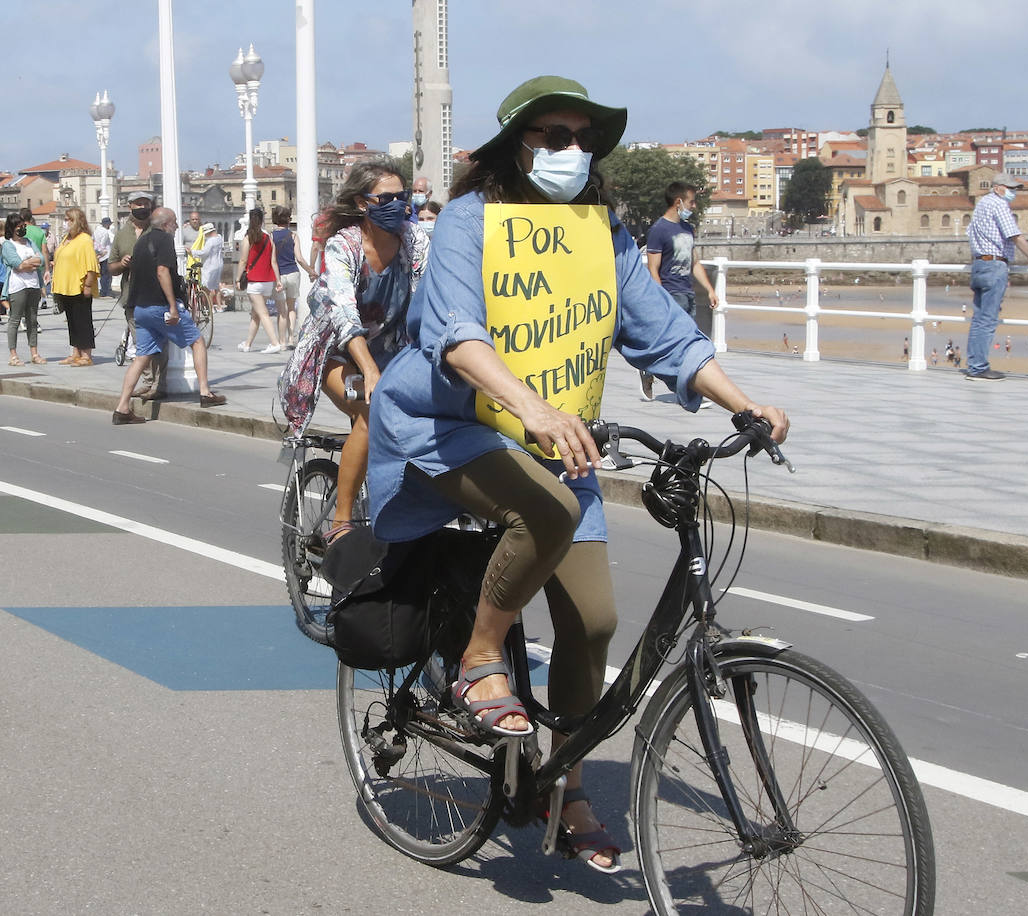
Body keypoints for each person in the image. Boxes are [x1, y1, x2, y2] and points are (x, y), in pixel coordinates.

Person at [368, 75, 789, 874]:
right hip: (453, 422)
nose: (570, 151)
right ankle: (479, 660)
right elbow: (456, 334)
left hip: (555, 439)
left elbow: (665, 333)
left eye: (583, 139)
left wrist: (746, 406)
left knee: (593, 622)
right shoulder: (470, 221)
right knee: (550, 511)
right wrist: (530, 407)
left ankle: (558, 791)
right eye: (552, 136)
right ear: (513, 147)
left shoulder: (604, 238)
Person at [279, 157, 428, 540]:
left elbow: (434, 288)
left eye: (403, 196)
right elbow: (344, 312)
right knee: (369, 410)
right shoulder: (343, 246)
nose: (399, 205)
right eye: (386, 198)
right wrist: (370, 371)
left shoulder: (413, 238)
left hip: (392, 352)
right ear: (363, 203)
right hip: (335, 354)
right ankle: (341, 521)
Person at [111, 208, 226, 424]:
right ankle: (205, 392)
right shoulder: (164, 240)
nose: (176, 227)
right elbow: (162, 271)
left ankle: (122, 408)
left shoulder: (141, 242)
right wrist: (173, 306)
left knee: (141, 357)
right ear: (166, 224)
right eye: (174, 223)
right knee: (197, 341)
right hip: (160, 306)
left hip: (141, 309)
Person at [638, 181, 719, 400]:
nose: (694, 206)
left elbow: (694, 263)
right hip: (671, 294)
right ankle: (690, 391)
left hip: (688, 293)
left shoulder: (687, 229)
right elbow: (653, 269)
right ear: (678, 202)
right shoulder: (659, 230)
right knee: (681, 344)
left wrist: (710, 290)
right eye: (691, 202)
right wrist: (662, 299)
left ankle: (665, 377)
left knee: (687, 342)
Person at [964, 172, 1028, 380]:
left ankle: (974, 365)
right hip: (994, 264)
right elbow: (1014, 234)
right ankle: (978, 367)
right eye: (1010, 188)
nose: (1013, 192)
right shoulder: (998, 204)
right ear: (998, 188)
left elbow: (969, 234)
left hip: (979, 263)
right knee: (987, 319)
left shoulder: (980, 205)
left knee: (979, 318)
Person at [109, 191, 168, 399]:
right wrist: (122, 263)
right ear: (130, 207)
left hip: (155, 295)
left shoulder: (157, 230)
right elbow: (111, 267)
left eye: (146, 204)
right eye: (138, 204)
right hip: (131, 295)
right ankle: (148, 381)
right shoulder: (122, 234)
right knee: (141, 342)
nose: (142, 207)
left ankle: (160, 384)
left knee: (159, 342)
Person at [51, 207, 99, 366]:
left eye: (70, 220)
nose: (66, 223)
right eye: (66, 219)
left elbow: (91, 266)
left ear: (78, 221)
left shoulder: (85, 239)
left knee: (82, 321)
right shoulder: (66, 239)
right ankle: (75, 352)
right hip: (65, 287)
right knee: (71, 321)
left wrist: (88, 285)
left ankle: (86, 355)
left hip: (79, 287)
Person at [236, 208, 284, 353]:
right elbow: (273, 261)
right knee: (255, 314)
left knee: (262, 314)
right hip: (268, 282)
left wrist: (238, 279)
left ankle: (275, 343)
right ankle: (247, 344)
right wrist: (278, 280)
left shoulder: (248, 238)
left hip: (254, 282)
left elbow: (243, 260)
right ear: (262, 220)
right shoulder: (269, 237)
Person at [3, 214, 46, 365]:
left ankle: (34, 353)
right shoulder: (8, 245)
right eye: (19, 226)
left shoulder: (29, 242)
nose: (22, 229)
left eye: (23, 226)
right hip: (18, 286)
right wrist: (29, 263)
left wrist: (27, 263)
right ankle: (13, 355)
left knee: (32, 320)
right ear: (12, 228)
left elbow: (40, 259)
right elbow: (17, 264)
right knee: (15, 319)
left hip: (33, 285)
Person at [271, 206, 317, 347]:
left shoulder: (270, 236)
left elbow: (271, 259)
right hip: (293, 273)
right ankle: (291, 338)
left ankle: (282, 341)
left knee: (281, 311)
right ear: (288, 220)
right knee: (291, 308)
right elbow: (300, 258)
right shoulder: (293, 236)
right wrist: (311, 270)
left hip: (278, 275)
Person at [190, 223, 225, 312]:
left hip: (210, 265)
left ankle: (210, 307)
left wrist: (192, 252)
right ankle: (219, 306)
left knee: (208, 287)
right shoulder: (220, 238)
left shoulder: (210, 241)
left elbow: (204, 252)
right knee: (216, 286)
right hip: (219, 264)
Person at [93, 216, 114, 297]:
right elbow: (103, 244)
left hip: (99, 256)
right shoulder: (105, 232)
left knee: (102, 274)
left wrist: (97, 254)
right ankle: (106, 291)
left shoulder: (96, 231)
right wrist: (102, 252)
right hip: (106, 255)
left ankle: (103, 290)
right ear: (107, 224)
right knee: (107, 275)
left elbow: (95, 243)